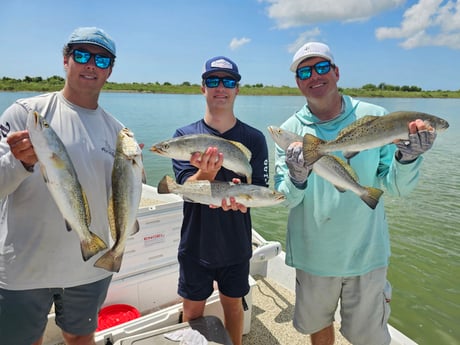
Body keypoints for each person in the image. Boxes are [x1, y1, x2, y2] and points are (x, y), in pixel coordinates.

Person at [274, 42, 438, 345]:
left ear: (336, 72)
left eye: (322, 67)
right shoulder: (289, 130)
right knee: (319, 328)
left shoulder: (377, 116)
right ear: (297, 82)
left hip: (367, 254)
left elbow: (397, 187)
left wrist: (409, 158)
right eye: (305, 71)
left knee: (369, 338)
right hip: (314, 255)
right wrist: (297, 178)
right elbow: (289, 198)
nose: (315, 76)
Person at [0, 27, 124, 345]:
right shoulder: (25, 114)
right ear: (65, 60)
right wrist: (20, 162)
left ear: (110, 69)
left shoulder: (119, 132)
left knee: (81, 338)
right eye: (81, 55)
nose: (90, 64)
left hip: (91, 264)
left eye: (101, 58)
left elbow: (124, 196)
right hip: (24, 266)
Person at [171, 56, 269, 345]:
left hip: (236, 242)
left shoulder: (254, 138)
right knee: (191, 310)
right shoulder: (184, 137)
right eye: (213, 81)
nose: (220, 88)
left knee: (234, 306)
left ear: (238, 89)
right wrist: (205, 172)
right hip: (196, 242)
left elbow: (260, 189)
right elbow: (185, 188)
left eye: (228, 81)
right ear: (203, 88)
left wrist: (244, 199)